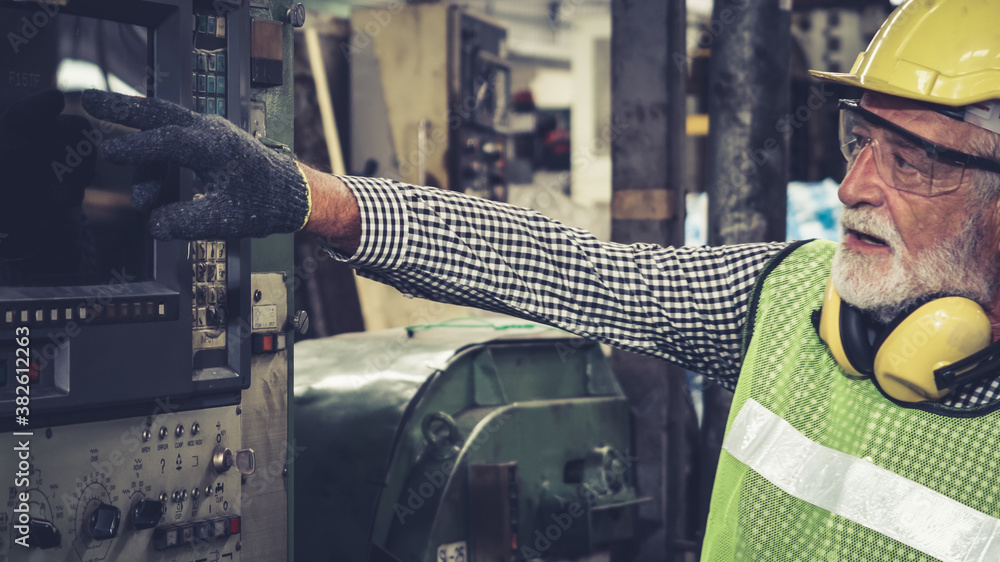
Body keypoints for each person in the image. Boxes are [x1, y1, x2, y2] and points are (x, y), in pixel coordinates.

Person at [77, 1, 1000, 559]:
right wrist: (311, 198)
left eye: (914, 162)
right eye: (859, 139)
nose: (853, 188)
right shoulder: (787, 299)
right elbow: (564, 266)